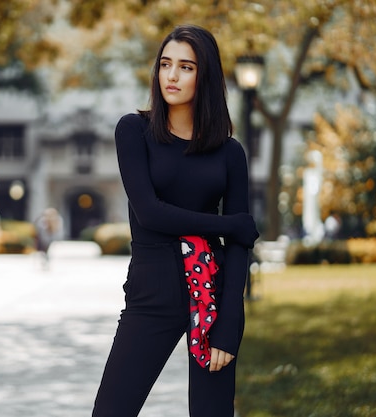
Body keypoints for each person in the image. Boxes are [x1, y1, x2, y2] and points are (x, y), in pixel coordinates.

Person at [91, 25, 259, 417]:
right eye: (166, 64)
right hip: (152, 292)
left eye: (186, 67)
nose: (172, 75)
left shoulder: (229, 153)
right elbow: (149, 213)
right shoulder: (134, 132)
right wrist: (228, 225)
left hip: (212, 295)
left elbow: (239, 249)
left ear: (206, 77)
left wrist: (230, 322)